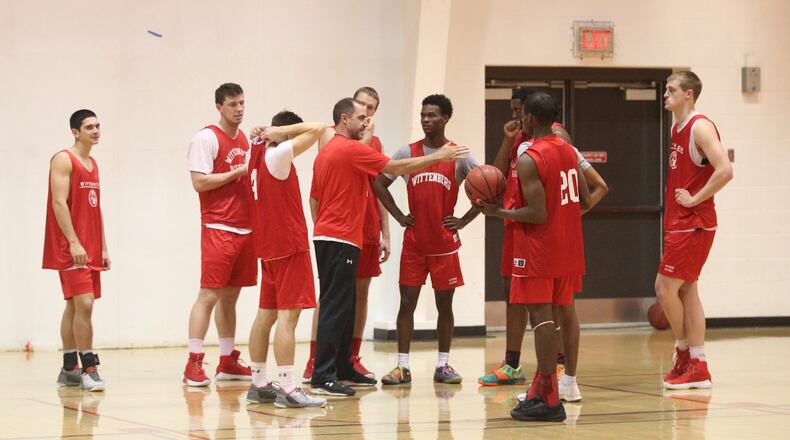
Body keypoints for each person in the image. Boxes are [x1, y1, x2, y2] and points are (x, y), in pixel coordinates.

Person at [308, 97, 469, 396]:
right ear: (344, 120)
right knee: (334, 307)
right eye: (360, 117)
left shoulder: (327, 152)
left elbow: (314, 198)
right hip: (339, 237)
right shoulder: (351, 150)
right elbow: (396, 166)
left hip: (334, 236)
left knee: (344, 306)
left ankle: (342, 367)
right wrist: (438, 157)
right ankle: (323, 375)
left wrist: (323, 230)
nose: (366, 122)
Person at [479, 89, 609, 404]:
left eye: (520, 112)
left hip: (538, 246)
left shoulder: (531, 155)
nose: (517, 117)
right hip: (568, 244)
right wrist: (564, 217)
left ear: (531, 117)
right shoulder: (566, 149)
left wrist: (498, 212)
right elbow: (587, 197)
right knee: (565, 311)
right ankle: (567, 383)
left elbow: (537, 213)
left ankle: (546, 387)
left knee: (542, 317)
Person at [374, 94, 480, 385]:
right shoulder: (406, 152)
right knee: (406, 304)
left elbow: (487, 191)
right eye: (423, 115)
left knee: (445, 306)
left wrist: (464, 219)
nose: (425, 119)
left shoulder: (459, 155)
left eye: (432, 115)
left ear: (445, 118)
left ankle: (443, 365)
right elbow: (379, 183)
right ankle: (402, 366)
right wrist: (398, 216)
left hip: (445, 245)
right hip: (415, 244)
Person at [302, 87, 391, 383]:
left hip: (362, 228)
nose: (366, 115)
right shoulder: (333, 138)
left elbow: (379, 188)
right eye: (362, 109)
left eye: (371, 110)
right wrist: (325, 228)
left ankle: (348, 360)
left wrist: (385, 231)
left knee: (355, 297)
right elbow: (316, 196)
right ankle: (318, 363)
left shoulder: (371, 142)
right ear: (348, 115)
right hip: (338, 231)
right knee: (332, 299)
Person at [244, 111, 327, 408]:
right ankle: (290, 388)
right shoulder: (278, 155)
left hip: (267, 246)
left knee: (265, 314)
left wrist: (268, 132)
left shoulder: (253, 152)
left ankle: (257, 381)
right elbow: (318, 127)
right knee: (288, 318)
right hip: (288, 245)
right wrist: (281, 132)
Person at [656, 71, 733, 390]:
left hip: (694, 223)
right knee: (687, 290)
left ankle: (685, 350)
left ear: (689, 94)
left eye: (672, 90)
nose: (665, 94)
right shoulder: (677, 126)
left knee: (663, 288)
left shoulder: (699, 126)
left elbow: (725, 170)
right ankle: (697, 364)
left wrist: (696, 198)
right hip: (681, 223)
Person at [184, 83, 256, 386]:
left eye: (241, 103)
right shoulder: (206, 138)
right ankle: (193, 362)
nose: (239, 109)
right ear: (219, 107)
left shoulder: (245, 138)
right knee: (209, 295)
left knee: (231, 297)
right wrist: (235, 173)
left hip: (245, 226)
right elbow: (199, 183)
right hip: (218, 226)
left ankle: (227, 361)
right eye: (232, 104)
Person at [44, 109, 109, 392]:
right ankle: (88, 367)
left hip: (90, 246)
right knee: (85, 304)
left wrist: (103, 245)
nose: (95, 130)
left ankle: (69, 366)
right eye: (88, 127)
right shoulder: (63, 159)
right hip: (70, 246)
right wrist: (73, 241)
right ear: (75, 132)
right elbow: (59, 203)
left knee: (74, 304)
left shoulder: (93, 162)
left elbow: (96, 207)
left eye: (97, 125)